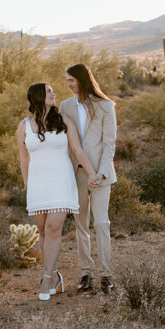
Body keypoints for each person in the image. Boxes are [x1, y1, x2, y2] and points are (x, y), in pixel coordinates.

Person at [17, 82, 99, 301]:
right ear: (37, 97)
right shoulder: (24, 126)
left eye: (52, 91)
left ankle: (46, 278)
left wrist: (92, 173)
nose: (53, 94)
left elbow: (78, 150)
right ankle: (54, 276)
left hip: (61, 180)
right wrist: (27, 184)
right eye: (48, 91)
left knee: (54, 227)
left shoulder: (64, 121)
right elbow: (24, 159)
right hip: (37, 183)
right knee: (43, 230)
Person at [60, 63, 117, 294]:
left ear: (82, 80)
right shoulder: (65, 107)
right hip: (76, 174)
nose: (68, 85)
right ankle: (86, 272)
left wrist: (100, 173)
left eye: (71, 80)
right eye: (66, 81)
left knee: (101, 222)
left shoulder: (106, 106)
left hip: (102, 174)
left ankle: (106, 274)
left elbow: (109, 143)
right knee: (81, 224)